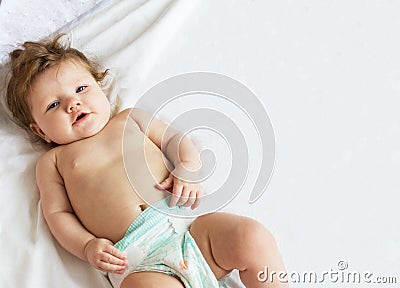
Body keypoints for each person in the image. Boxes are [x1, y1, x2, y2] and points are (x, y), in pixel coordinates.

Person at [5, 34, 288, 288]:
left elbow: (175, 140)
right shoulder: (54, 162)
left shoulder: (130, 119)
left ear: (100, 87)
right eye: (53, 105)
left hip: (191, 230)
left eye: (81, 89)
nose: (72, 104)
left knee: (251, 237)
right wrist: (87, 246)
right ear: (40, 130)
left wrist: (188, 168)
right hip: (138, 261)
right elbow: (58, 216)